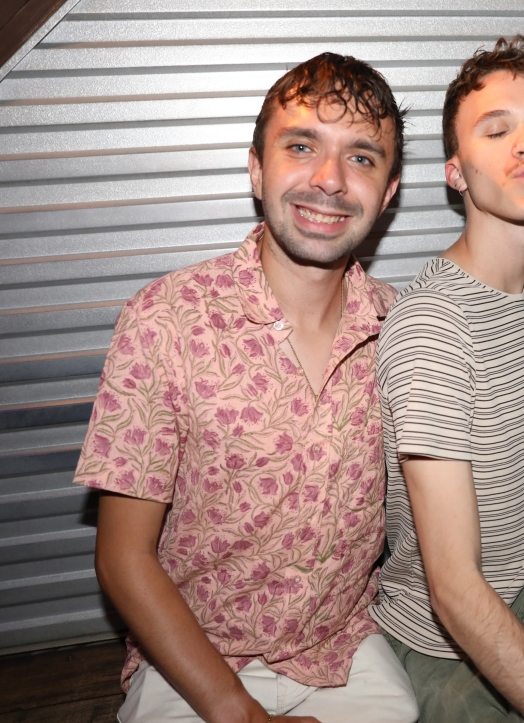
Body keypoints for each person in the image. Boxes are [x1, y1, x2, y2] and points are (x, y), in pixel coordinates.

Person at [73, 53, 419, 723]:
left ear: (389, 191)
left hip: (341, 647)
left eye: (361, 158)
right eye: (301, 146)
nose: (329, 179)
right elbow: (121, 556)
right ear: (257, 168)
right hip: (191, 657)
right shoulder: (167, 319)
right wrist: (238, 711)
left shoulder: (401, 329)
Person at [369, 36, 524, 723]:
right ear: (456, 173)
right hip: (440, 632)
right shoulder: (434, 326)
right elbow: (454, 588)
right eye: (497, 129)